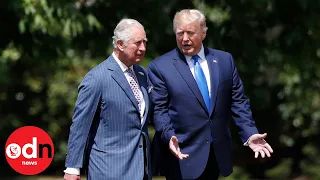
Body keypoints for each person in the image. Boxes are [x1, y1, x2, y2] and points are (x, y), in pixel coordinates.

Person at [148, 9, 273, 180]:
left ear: (203, 32)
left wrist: (250, 133)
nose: (185, 39)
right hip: (181, 155)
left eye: (190, 33)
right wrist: (168, 136)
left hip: (216, 154)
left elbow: (238, 102)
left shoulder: (224, 61)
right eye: (180, 33)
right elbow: (159, 110)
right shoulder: (160, 67)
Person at [64, 18, 152, 180]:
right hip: (108, 170)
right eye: (138, 43)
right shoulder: (97, 78)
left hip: (140, 170)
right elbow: (80, 125)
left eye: (145, 42)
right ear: (120, 44)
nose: (143, 48)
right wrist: (72, 168)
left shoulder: (142, 75)